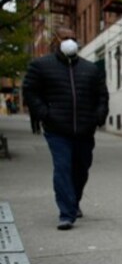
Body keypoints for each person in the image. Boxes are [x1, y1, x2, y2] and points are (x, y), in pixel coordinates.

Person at [22, 27, 109, 231]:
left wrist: (98, 116)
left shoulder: (90, 69)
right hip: (57, 130)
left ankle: (74, 201)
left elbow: (101, 95)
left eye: (73, 38)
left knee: (81, 169)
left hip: (85, 129)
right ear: (56, 41)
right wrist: (44, 113)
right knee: (63, 168)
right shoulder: (41, 66)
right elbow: (30, 91)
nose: (70, 41)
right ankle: (66, 213)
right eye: (65, 38)